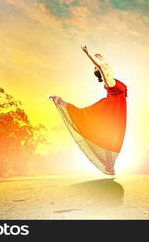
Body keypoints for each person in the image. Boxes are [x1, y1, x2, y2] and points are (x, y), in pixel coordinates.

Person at [51, 46, 127, 175]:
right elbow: (103, 68)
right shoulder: (109, 81)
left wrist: (103, 59)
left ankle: (110, 166)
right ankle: (61, 102)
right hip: (111, 108)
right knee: (85, 116)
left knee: (110, 134)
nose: (105, 66)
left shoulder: (112, 78)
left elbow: (107, 66)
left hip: (115, 108)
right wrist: (87, 54)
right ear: (101, 71)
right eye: (100, 67)